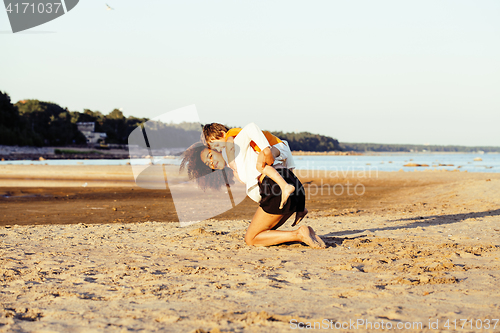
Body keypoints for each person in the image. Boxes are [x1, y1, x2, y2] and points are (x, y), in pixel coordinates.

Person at [180, 142, 325, 249]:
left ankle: (299, 234)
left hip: (276, 188)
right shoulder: (236, 164)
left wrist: (270, 151)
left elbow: (281, 145)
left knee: (251, 238)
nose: (211, 162)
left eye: (210, 155)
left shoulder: (237, 147)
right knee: (264, 233)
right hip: (293, 184)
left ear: (216, 148)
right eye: (208, 163)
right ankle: (304, 233)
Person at [202, 122, 294, 209]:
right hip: (278, 153)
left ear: (222, 134)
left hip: (273, 146)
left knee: (261, 165)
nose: (219, 149)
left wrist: (266, 149)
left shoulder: (232, 136)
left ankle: (285, 186)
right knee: (288, 177)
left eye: (217, 144)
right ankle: (298, 206)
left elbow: (249, 129)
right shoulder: (231, 148)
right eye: (216, 148)